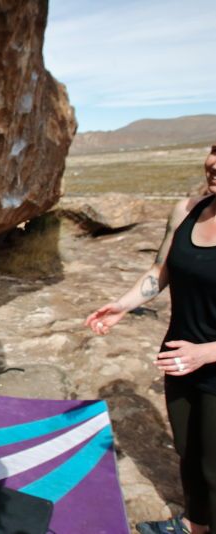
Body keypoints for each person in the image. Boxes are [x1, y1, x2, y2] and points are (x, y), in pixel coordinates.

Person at [84, 144, 216, 534]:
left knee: (215, 468)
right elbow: (161, 269)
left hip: (209, 362)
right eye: (214, 150)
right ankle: (194, 524)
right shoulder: (188, 210)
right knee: (189, 455)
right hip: (178, 358)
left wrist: (207, 352)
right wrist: (122, 306)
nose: (214, 163)